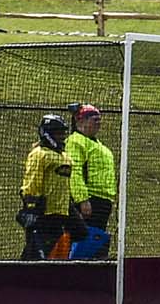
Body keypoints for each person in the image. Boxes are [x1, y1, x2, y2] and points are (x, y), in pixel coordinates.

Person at [18, 115, 76, 261]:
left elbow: (63, 185)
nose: (61, 137)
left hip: (61, 211)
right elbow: (32, 181)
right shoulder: (39, 154)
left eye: (62, 133)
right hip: (43, 213)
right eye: (57, 133)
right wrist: (31, 208)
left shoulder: (65, 157)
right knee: (37, 252)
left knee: (54, 251)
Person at [64, 103, 117, 258]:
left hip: (103, 199)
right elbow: (75, 171)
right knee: (84, 239)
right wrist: (82, 199)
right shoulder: (76, 141)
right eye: (94, 119)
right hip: (90, 199)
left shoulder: (98, 145)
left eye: (99, 120)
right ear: (80, 121)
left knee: (95, 238)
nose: (98, 123)